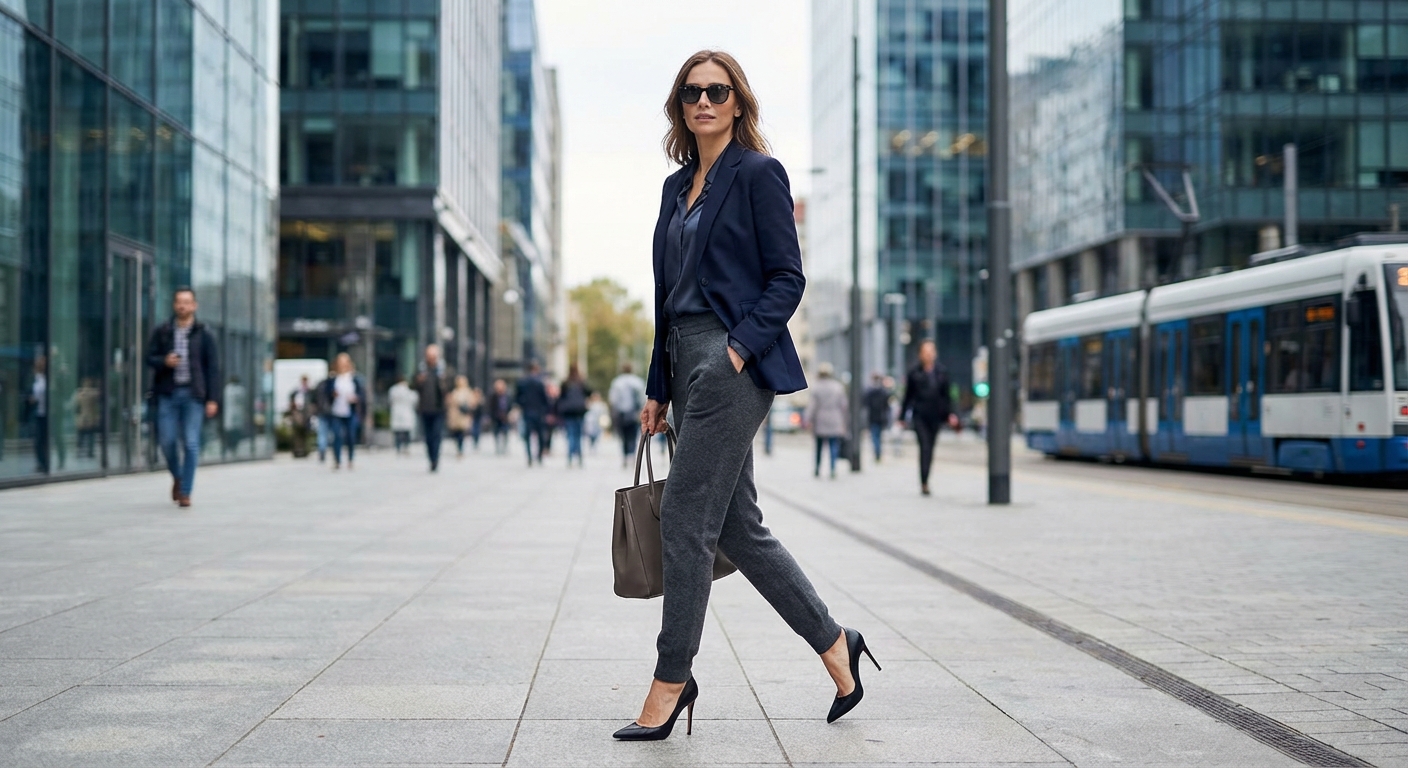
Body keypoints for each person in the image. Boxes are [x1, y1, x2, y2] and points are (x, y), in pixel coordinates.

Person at [616, 51, 875, 743]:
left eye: (717, 90)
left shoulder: (759, 174)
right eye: (692, 92)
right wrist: (656, 385)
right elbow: (666, 300)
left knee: (683, 518)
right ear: (681, 106)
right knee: (736, 527)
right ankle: (835, 645)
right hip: (683, 356)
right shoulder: (676, 189)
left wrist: (737, 349)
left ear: (737, 102)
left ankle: (673, 678)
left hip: (733, 362)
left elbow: (786, 279)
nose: (704, 100)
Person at [145, 287, 220, 507]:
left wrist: (212, 399)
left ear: (194, 305)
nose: (182, 306)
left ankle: (186, 491)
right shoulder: (163, 331)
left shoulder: (204, 334)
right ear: (174, 305)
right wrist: (164, 361)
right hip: (167, 394)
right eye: (179, 301)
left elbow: (213, 369)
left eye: (187, 302)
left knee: (191, 442)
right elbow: (149, 358)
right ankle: (177, 476)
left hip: (193, 395)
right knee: (167, 441)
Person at [900, 339, 960, 496]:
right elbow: (908, 397)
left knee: (930, 448)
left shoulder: (941, 372)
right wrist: (902, 416)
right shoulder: (914, 373)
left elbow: (947, 396)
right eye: (926, 352)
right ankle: (924, 482)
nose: (929, 355)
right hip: (920, 416)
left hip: (936, 416)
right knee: (925, 447)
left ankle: (926, 478)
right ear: (920, 354)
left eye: (931, 351)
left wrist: (951, 414)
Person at [320, 353, 366, 470]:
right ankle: (337, 460)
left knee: (350, 435)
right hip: (336, 411)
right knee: (337, 435)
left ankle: (350, 458)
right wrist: (332, 395)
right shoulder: (332, 379)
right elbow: (325, 394)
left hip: (350, 411)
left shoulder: (355, 378)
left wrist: (356, 398)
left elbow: (362, 394)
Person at [412, 345, 454, 472]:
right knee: (428, 436)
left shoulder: (444, 370)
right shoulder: (421, 369)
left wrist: (444, 381)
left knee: (436, 434)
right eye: (429, 356)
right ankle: (431, 458)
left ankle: (435, 459)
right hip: (425, 408)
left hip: (439, 409)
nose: (431, 358)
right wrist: (419, 381)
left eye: (433, 356)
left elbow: (450, 387)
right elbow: (413, 385)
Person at [805, 362, 848, 479]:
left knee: (818, 447)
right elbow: (844, 405)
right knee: (833, 445)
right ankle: (833, 468)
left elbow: (812, 406)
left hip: (820, 419)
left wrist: (808, 419)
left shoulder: (817, 387)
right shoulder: (838, 387)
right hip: (835, 419)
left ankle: (817, 468)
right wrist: (844, 421)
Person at [608, 362, 647, 467]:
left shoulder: (617, 382)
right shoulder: (637, 381)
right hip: (634, 412)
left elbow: (613, 399)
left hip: (621, 413)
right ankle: (632, 455)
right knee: (633, 435)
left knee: (623, 435)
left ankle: (625, 456)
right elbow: (642, 397)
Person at [514, 363, 550, 466]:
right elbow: (545, 399)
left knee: (528, 435)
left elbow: (517, 398)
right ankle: (538, 456)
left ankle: (529, 456)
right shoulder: (540, 383)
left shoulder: (522, 382)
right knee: (540, 435)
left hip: (527, 411)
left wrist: (522, 405)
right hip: (538, 412)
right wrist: (546, 410)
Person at [557, 365, 591, 467]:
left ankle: (570, 457)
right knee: (579, 435)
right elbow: (589, 392)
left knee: (570, 434)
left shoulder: (565, 383)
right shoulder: (581, 382)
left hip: (568, 412)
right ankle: (579, 456)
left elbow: (560, 397)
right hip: (579, 411)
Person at [863, 373, 892, 462]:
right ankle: (878, 452)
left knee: (875, 436)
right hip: (880, 416)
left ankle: (877, 452)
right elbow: (887, 406)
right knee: (878, 436)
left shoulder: (869, 391)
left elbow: (865, 404)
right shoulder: (883, 391)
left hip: (873, 416)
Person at [446, 375, 477, 459]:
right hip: (455, 415)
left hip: (463, 415)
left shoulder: (467, 391)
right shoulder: (454, 392)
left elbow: (472, 403)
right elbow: (450, 404)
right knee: (456, 433)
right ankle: (458, 448)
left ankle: (460, 449)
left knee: (461, 433)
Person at [387, 375, 419, 455]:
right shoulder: (409, 391)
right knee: (406, 431)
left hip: (397, 412)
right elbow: (415, 400)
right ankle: (406, 447)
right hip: (407, 412)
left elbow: (390, 401)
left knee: (398, 431)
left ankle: (398, 447)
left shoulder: (393, 390)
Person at [28, 355, 48, 473]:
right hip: (37, 413)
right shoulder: (34, 378)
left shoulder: (46, 379)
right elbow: (30, 393)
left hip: (46, 414)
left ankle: (45, 463)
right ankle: (41, 463)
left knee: (43, 440)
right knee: (38, 440)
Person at [222, 376, 247, 455]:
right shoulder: (241, 390)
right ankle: (233, 447)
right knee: (235, 431)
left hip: (230, 413)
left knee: (231, 430)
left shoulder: (228, 389)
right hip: (235, 412)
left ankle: (231, 446)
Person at [489, 379, 513, 455]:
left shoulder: (507, 395)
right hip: (496, 417)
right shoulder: (493, 396)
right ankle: (498, 447)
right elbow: (490, 407)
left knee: (505, 432)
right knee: (496, 432)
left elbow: (510, 405)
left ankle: (504, 447)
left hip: (505, 417)